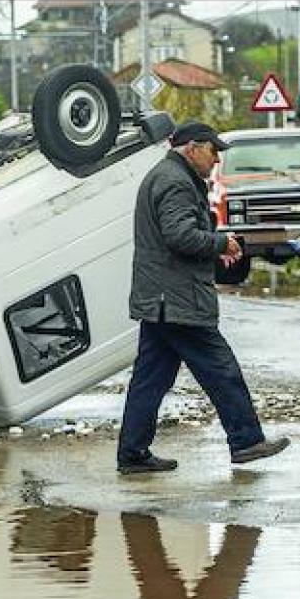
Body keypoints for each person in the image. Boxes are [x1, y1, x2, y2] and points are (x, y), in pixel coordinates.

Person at [116, 121, 289, 473]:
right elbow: (179, 235)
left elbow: (179, 235)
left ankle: (133, 453)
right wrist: (220, 243)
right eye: (213, 151)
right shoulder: (176, 182)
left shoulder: (167, 176)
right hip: (177, 299)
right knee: (222, 370)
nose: (216, 160)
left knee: (150, 381)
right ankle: (246, 441)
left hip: (162, 297)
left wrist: (213, 247)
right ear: (192, 148)